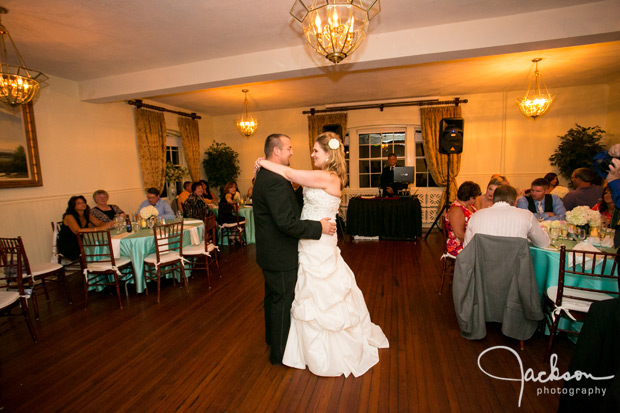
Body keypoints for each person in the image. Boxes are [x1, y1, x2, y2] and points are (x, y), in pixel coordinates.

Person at [257, 131, 389, 377]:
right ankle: (296, 346)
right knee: (300, 294)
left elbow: (288, 173)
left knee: (319, 294)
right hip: (307, 241)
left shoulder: (327, 176)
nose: (311, 154)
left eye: (316, 150)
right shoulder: (318, 176)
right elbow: (297, 197)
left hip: (318, 242)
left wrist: (262, 162)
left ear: (328, 154)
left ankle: (317, 348)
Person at [253, 133, 335, 366]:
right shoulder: (274, 180)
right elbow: (286, 222)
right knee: (282, 300)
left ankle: (273, 340)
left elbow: (288, 203)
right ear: (277, 151)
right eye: (288, 148)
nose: (292, 152)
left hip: (270, 251)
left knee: (272, 298)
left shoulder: (268, 175)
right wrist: (318, 227)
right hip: (279, 253)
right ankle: (279, 354)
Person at [464, 185, 550, 248]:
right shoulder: (527, 216)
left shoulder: (476, 216)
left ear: (494, 198)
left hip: (482, 268)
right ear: (515, 201)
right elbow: (543, 243)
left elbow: (467, 247)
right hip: (516, 269)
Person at [57, 195, 115, 260]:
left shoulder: (86, 214)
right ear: (73, 206)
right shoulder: (69, 216)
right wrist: (100, 228)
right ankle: (95, 265)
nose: (83, 204)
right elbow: (78, 231)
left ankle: (101, 264)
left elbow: (98, 223)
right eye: (79, 203)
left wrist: (107, 225)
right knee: (98, 245)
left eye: (83, 202)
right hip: (70, 244)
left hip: (83, 241)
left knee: (102, 243)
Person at [445, 181, 481, 256]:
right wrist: (478, 242)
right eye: (477, 196)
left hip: (469, 241)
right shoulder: (456, 210)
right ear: (471, 198)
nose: (478, 198)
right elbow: (459, 235)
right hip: (459, 246)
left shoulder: (470, 206)